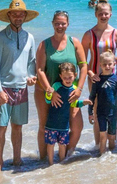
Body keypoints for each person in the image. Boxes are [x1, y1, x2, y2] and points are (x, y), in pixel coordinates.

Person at [0, 0, 38, 172]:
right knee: (1, 128)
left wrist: (32, 76)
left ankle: (17, 160)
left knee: (17, 128)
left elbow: (32, 61)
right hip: (3, 89)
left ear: (25, 16)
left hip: (21, 88)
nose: (18, 17)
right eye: (15, 13)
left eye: (21, 14)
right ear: (9, 15)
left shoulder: (30, 37)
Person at [35, 11, 88, 158]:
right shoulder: (44, 45)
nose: (60, 26)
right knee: (44, 127)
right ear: (52, 24)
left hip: (70, 92)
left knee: (77, 127)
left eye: (63, 23)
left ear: (68, 24)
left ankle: (64, 159)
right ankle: (43, 161)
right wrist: (50, 92)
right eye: (57, 23)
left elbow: (83, 66)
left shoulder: (74, 42)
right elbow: (39, 70)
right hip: (45, 92)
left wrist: (80, 90)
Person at [81, 0, 117, 148]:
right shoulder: (88, 35)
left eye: (106, 13)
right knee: (97, 110)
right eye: (100, 14)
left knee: (112, 108)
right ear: (95, 14)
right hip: (95, 78)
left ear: (111, 14)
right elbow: (82, 60)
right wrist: (90, 73)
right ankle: (99, 146)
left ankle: (111, 145)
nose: (103, 16)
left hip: (113, 78)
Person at [44, 62, 90, 165]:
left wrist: (84, 103)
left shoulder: (73, 89)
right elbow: (48, 101)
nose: (68, 80)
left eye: (70, 77)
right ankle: (50, 164)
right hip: (52, 123)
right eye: (65, 77)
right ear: (60, 76)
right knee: (50, 144)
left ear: (75, 75)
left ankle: (61, 163)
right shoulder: (56, 86)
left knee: (62, 145)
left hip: (64, 125)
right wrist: (48, 94)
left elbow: (74, 104)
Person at [87, 50, 117, 155]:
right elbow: (92, 97)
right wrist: (90, 113)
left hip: (113, 113)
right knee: (102, 137)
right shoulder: (97, 80)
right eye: (104, 64)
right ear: (100, 65)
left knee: (112, 138)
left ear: (114, 64)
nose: (107, 66)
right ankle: (101, 158)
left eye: (109, 64)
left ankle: (111, 159)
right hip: (101, 113)